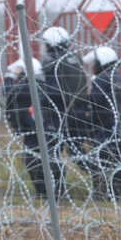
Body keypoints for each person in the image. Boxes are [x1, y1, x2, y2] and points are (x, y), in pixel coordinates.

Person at [83, 46, 121, 199]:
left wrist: (86, 120)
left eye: (96, 62)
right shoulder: (118, 77)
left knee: (104, 158)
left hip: (109, 126)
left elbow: (94, 102)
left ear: (102, 61)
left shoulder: (102, 79)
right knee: (112, 159)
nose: (94, 66)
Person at [39, 27, 90, 195]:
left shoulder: (51, 60)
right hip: (78, 112)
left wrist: (41, 103)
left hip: (57, 115)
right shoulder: (75, 58)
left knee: (52, 154)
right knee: (76, 152)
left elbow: (53, 91)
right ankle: (106, 178)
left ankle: (56, 191)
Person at [3, 57, 63, 199]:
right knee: (48, 159)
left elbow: (9, 93)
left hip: (35, 132)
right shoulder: (41, 85)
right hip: (44, 129)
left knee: (34, 160)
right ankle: (56, 191)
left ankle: (45, 192)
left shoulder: (28, 86)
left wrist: (10, 77)